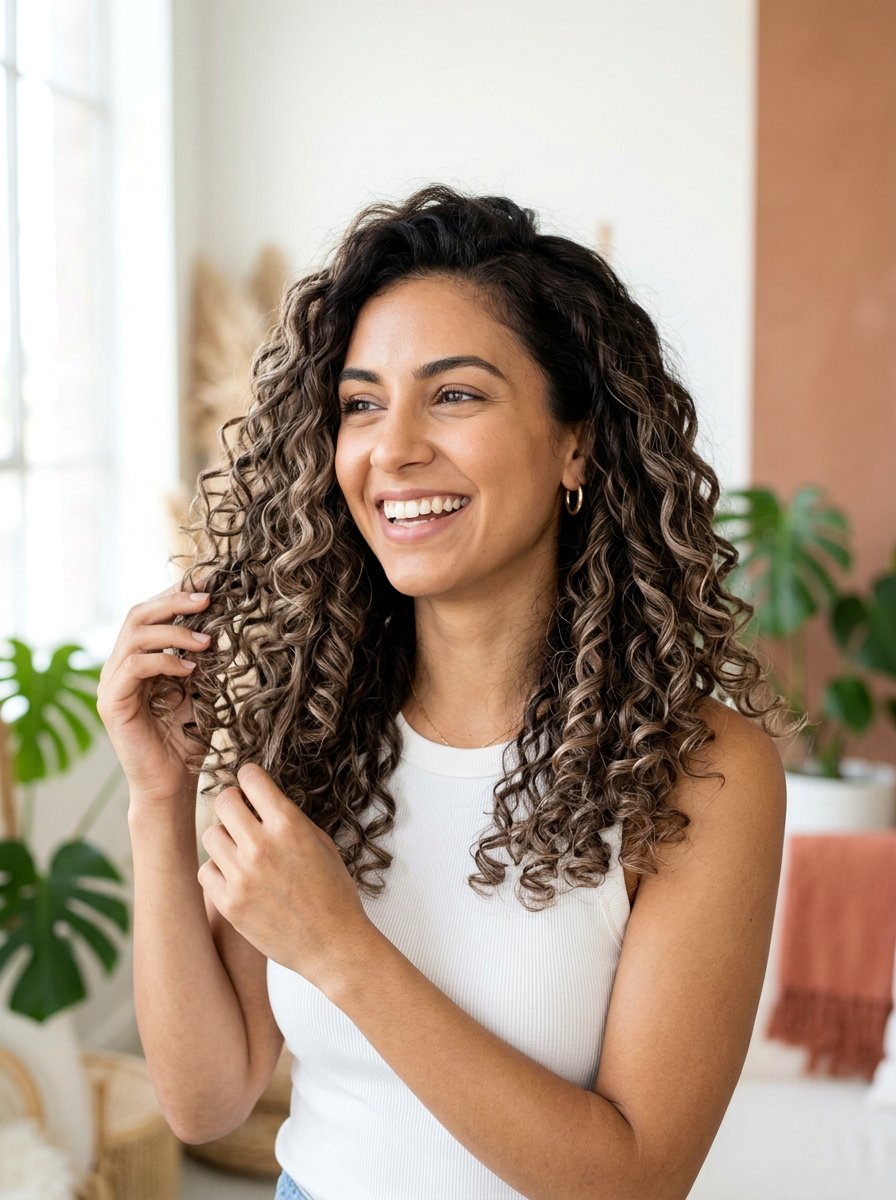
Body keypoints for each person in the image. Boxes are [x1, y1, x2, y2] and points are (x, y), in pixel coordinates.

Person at [97, 184, 802, 1200]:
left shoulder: (700, 769)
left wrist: (342, 949)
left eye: (456, 394)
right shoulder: (311, 724)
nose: (392, 450)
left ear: (576, 442)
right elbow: (205, 1103)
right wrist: (157, 801)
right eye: (360, 403)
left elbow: (635, 1179)